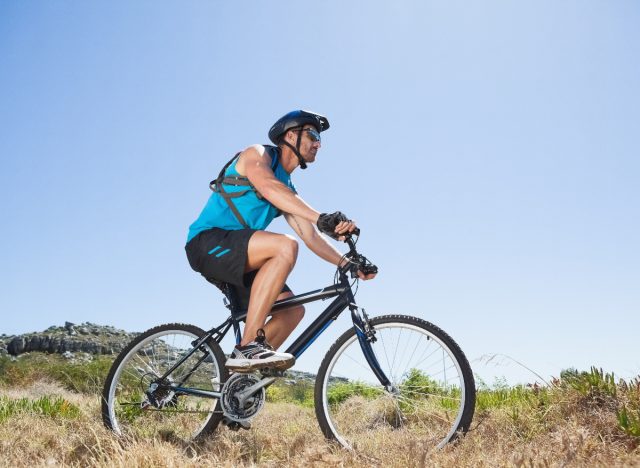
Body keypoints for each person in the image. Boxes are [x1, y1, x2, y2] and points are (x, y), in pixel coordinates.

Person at [185, 110, 376, 372]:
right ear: (290, 135)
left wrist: (347, 264)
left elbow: (309, 235)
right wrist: (321, 217)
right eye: (312, 135)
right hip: (207, 243)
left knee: (292, 311)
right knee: (285, 246)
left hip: (241, 256)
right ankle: (248, 346)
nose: (318, 143)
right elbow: (267, 187)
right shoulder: (257, 155)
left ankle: (236, 383)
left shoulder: (287, 189)